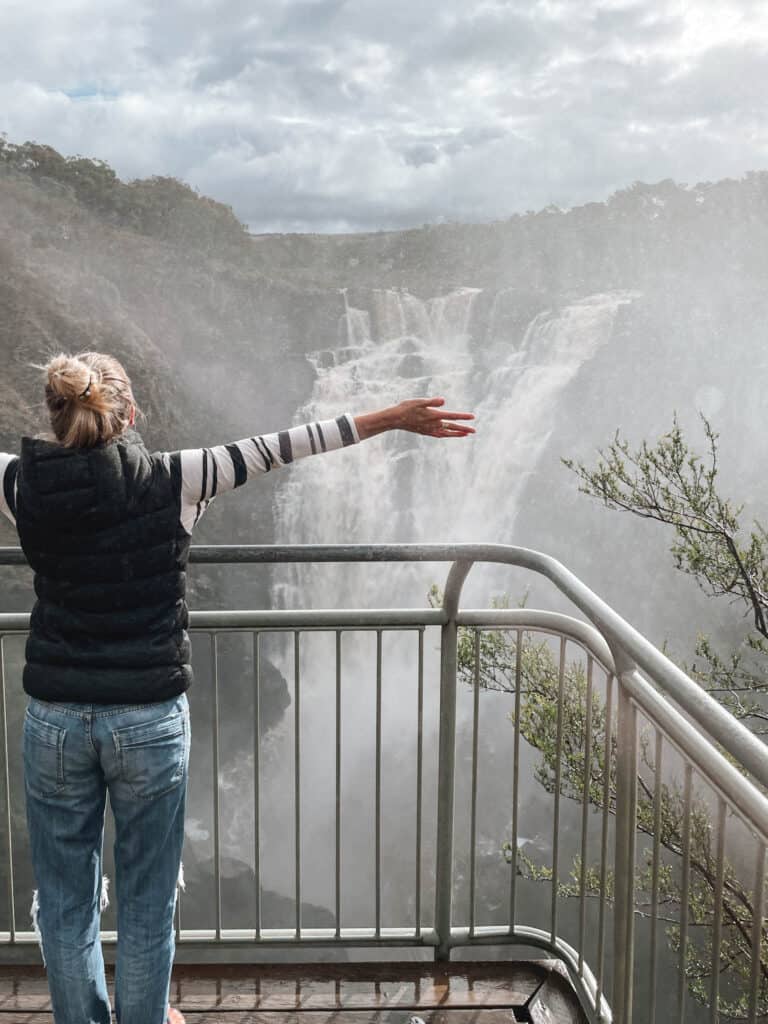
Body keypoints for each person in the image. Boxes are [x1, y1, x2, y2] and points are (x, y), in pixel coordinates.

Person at [0, 350, 475, 1024]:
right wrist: (393, 417)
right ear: (130, 416)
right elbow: (282, 447)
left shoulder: (22, 485)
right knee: (146, 900)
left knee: (66, 897)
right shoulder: (176, 478)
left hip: (54, 720)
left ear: (56, 418)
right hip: (148, 719)